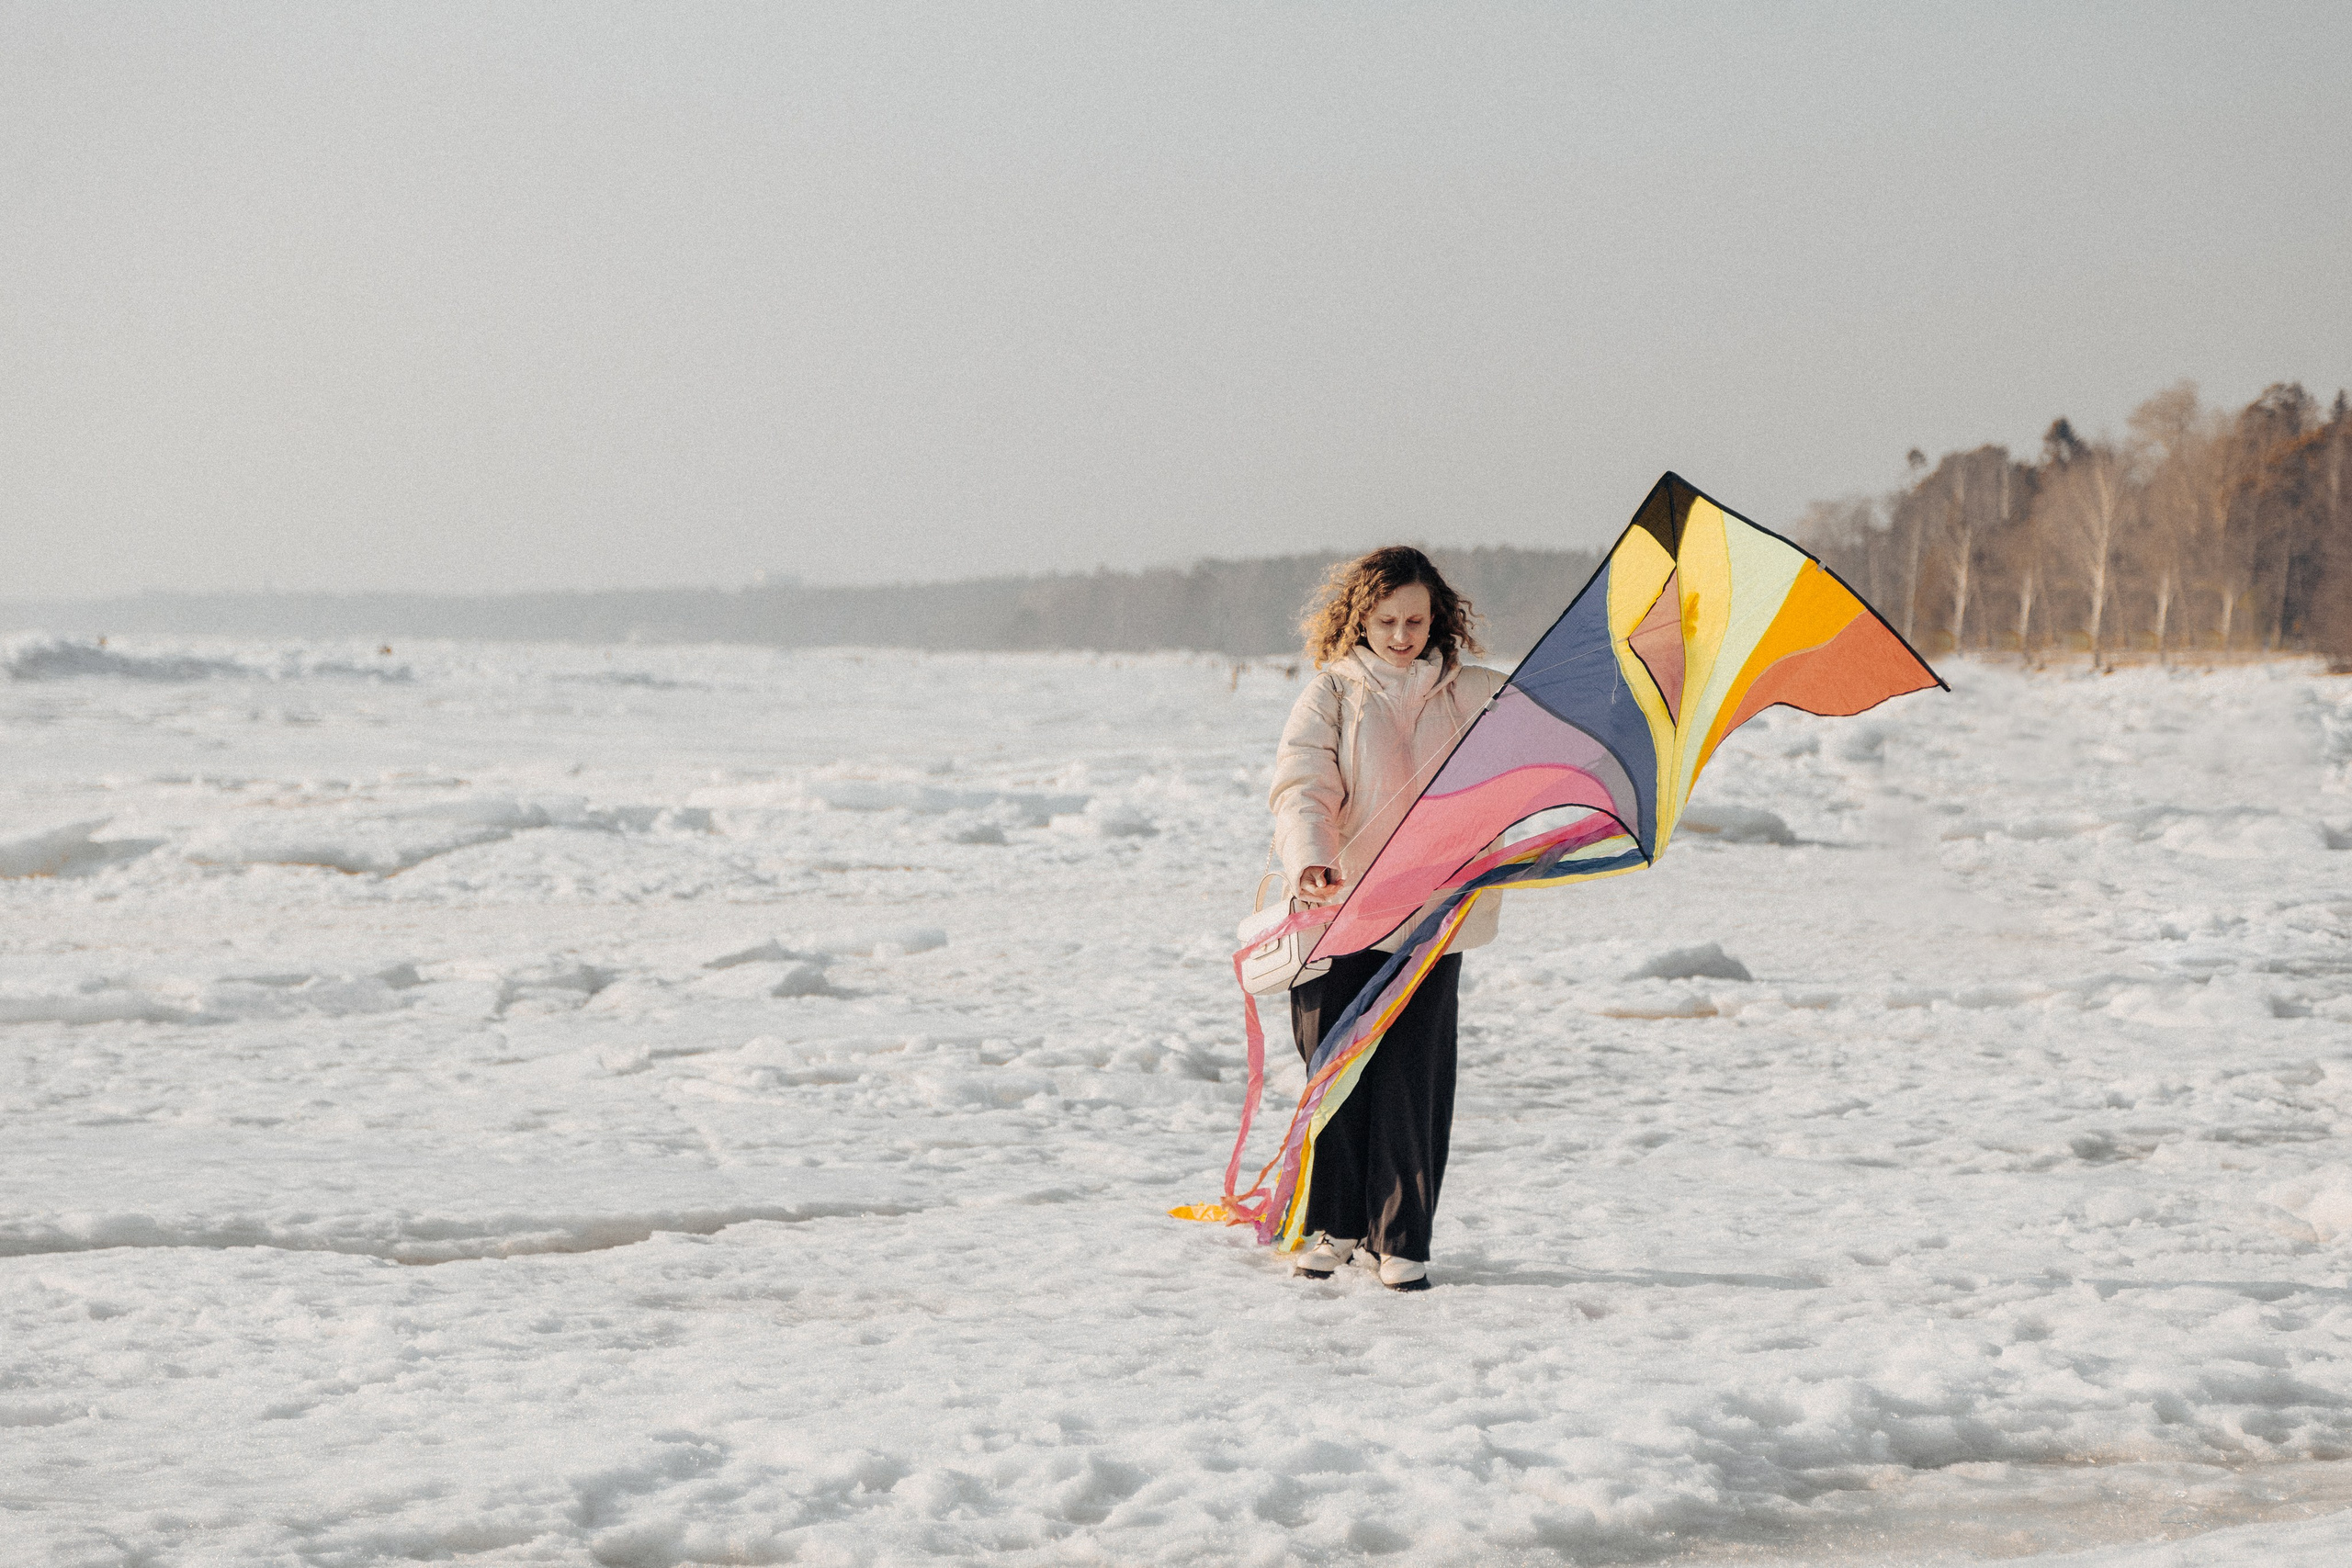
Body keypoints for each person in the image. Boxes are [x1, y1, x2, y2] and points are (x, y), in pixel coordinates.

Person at [1268, 547, 1506, 1292]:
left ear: (1439, 617)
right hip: (1340, 912)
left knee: (1412, 1077)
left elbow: (1542, 734)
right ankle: (1333, 1225)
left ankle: (1399, 1238)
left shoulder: (1473, 693)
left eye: (1415, 619)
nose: (1402, 634)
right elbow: (1304, 783)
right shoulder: (1332, 693)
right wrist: (1309, 855)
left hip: (1433, 917)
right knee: (1338, 1070)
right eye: (1387, 620)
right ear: (1359, 619)